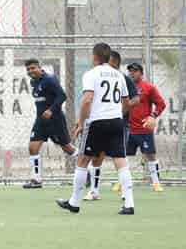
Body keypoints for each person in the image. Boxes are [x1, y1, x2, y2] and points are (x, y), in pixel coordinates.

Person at [56, 43, 135, 215]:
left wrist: (81, 123)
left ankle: (74, 202)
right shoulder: (119, 75)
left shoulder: (91, 74)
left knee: (83, 161)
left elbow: (86, 101)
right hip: (116, 122)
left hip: (97, 123)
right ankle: (129, 204)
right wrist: (116, 115)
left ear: (95, 57)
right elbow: (127, 103)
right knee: (121, 161)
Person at [84, 50, 140, 201]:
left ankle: (125, 192)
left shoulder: (122, 78)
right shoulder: (97, 75)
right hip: (102, 122)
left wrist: (120, 112)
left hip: (119, 124)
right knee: (97, 157)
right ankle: (94, 191)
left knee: (120, 157)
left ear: (116, 64)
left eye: (112, 64)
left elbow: (134, 100)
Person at [23, 59, 78, 189]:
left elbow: (62, 96)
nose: (31, 71)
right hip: (41, 121)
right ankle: (36, 180)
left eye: (33, 68)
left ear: (40, 68)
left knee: (67, 148)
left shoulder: (49, 80)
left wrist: (51, 110)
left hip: (55, 120)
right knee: (32, 147)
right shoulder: (33, 82)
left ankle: (86, 168)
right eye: (28, 69)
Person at [126, 62, 166, 192]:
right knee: (123, 156)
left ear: (141, 73)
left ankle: (156, 182)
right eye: (130, 71)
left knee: (150, 155)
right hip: (128, 129)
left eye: (135, 71)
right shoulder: (124, 87)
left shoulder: (148, 88)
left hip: (144, 129)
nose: (132, 73)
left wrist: (152, 116)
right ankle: (124, 182)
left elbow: (161, 104)